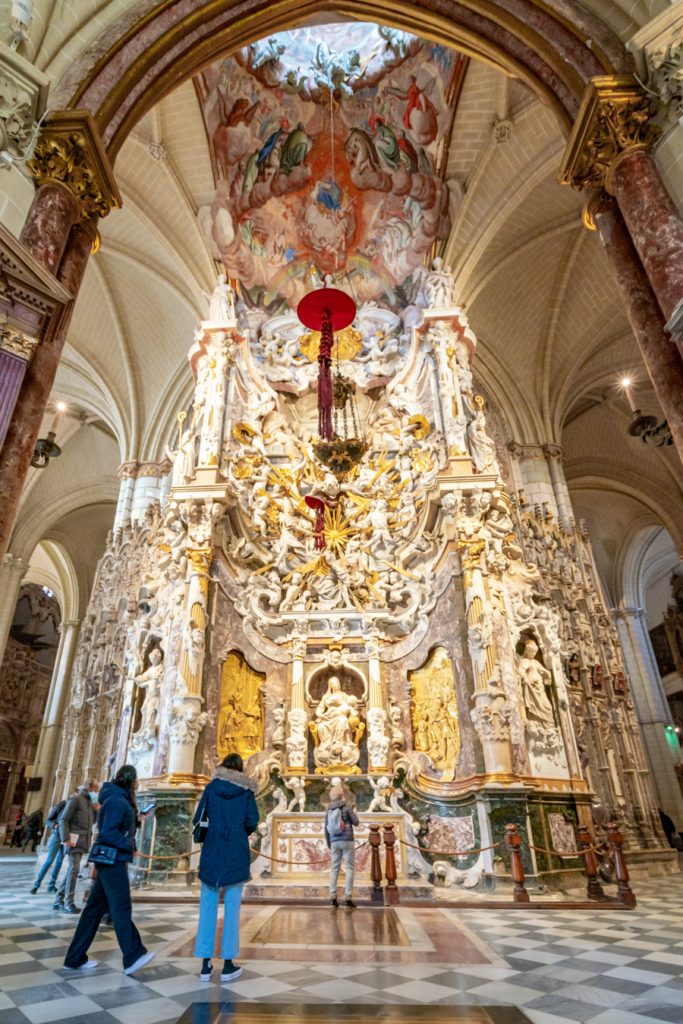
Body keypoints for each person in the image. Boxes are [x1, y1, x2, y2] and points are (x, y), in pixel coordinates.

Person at [63, 764, 155, 976]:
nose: (137, 784)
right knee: (121, 907)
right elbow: (108, 832)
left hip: (112, 858)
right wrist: (129, 847)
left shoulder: (119, 798)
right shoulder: (116, 799)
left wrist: (138, 820)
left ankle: (74, 958)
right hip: (111, 860)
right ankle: (133, 955)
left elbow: (120, 826)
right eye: (135, 780)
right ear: (129, 781)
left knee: (93, 911)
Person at [192, 752, 259, 983]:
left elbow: (197, 818)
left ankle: (204, 964)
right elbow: (252, 821)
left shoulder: (211, 788)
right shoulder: (246, 791)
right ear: (240, 770)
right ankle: (228, 963)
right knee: (232, 908)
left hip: (212, 850)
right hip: (236, 851)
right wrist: (239, 832)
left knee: (207, 905)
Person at [53, 779, 99, 914]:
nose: (97, 792)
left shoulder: (90, 802)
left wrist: (96, 810)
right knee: (74, 870)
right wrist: (65, 838)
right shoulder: (76, 799)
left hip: (83, 839)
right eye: (96, 789)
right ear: (89, 788)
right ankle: (69, 903)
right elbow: (63, 819)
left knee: (72, 871)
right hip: (73, 839)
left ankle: (58, 900)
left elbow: (92, 822)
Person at [324, 785, 359, 909]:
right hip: (347, 840)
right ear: (342, 795)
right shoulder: (347, 807)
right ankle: (348, 897)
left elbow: (326, 828)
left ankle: (332, 897)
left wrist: (330, 843)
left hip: (334, 841)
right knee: (349, 868)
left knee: (334, 869)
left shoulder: (328, 810)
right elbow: (356, 822)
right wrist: (354, 813)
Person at [31, 798, 67, 893]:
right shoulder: (61, 805)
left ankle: (52, 885)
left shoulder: (76, 810)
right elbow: (48, 820)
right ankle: (36, 884)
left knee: (59, 862)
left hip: (66, 838)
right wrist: (55, 825)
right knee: (49, 860)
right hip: (56, 835)